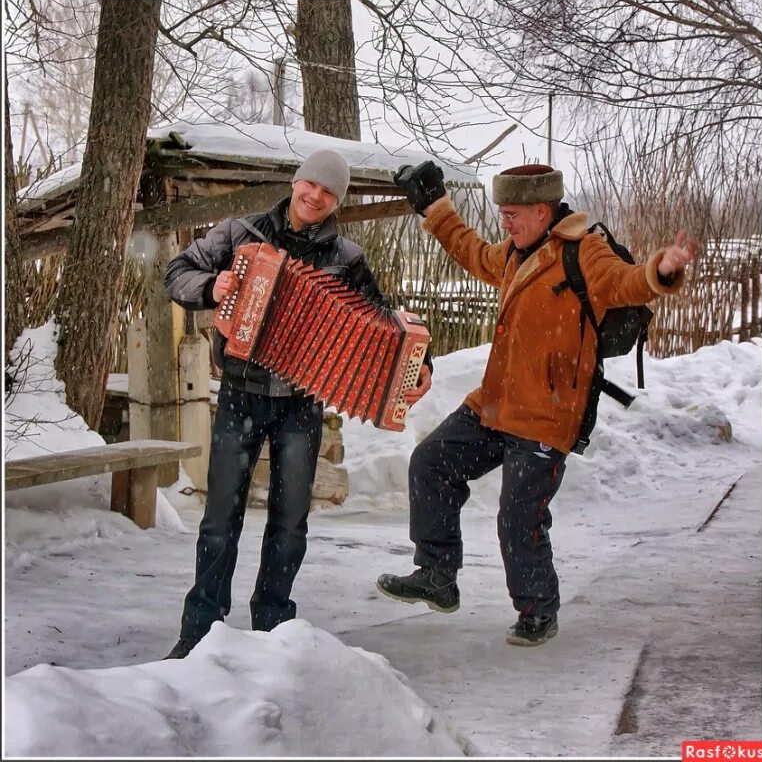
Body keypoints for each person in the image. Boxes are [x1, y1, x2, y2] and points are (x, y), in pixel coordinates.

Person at [377, 162, 699, 646]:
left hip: (548, 414)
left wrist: (661, 270)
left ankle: (537, 609)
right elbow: (473, 252)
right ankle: (437, 575)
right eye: (501, 213)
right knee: (431, 464)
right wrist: (436, 208)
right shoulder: (515, 251)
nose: (504, 223)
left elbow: (625, 282)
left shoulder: (584, 250)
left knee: (518, 517)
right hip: (497, 403)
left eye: (511, 214)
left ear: (542, 210)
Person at [163, 149, 432, 659]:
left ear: (337, 201)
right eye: (311, 184)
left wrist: (419, 364)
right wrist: (211, 286)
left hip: (300, 407)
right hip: (241, 395)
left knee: (289, 524)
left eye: (329, 192)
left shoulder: (346, 258)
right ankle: (198, 633)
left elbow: (381, 327)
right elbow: (177, 271)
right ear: (296, 181)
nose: (315, 196)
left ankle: (272, 629)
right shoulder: (240, 232)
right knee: (220, 520)